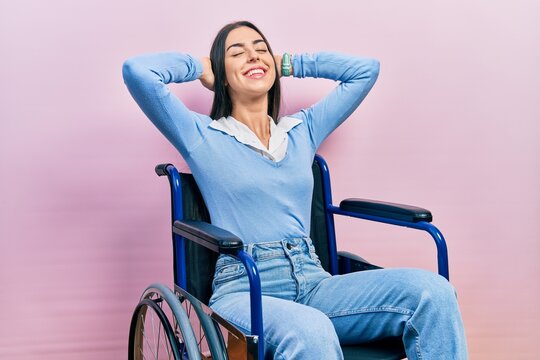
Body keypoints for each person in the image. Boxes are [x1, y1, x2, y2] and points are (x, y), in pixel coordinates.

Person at [122, 20, 468, 360]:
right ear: (222, 75)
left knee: (433, 293)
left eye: (262, 51)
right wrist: (201, 67)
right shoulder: (201, 135)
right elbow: (138, 72)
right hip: (245, 286)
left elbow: (366, 70)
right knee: (310, 328)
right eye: (237, 52)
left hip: (313, 279)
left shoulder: (302, 130)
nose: (254, 57)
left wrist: (290, 63)